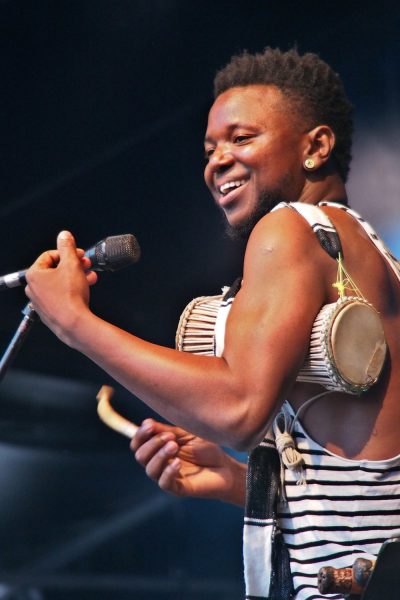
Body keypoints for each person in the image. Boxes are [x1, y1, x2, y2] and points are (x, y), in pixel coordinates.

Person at [25, 48, 400, 599]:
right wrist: (234, 481)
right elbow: (362, 485)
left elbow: (239, 411)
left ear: (316, 147)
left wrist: (74, 323)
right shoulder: (365, 250)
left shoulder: (290, 227)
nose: (217, 161)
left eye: (241, 139)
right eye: (210, 149)